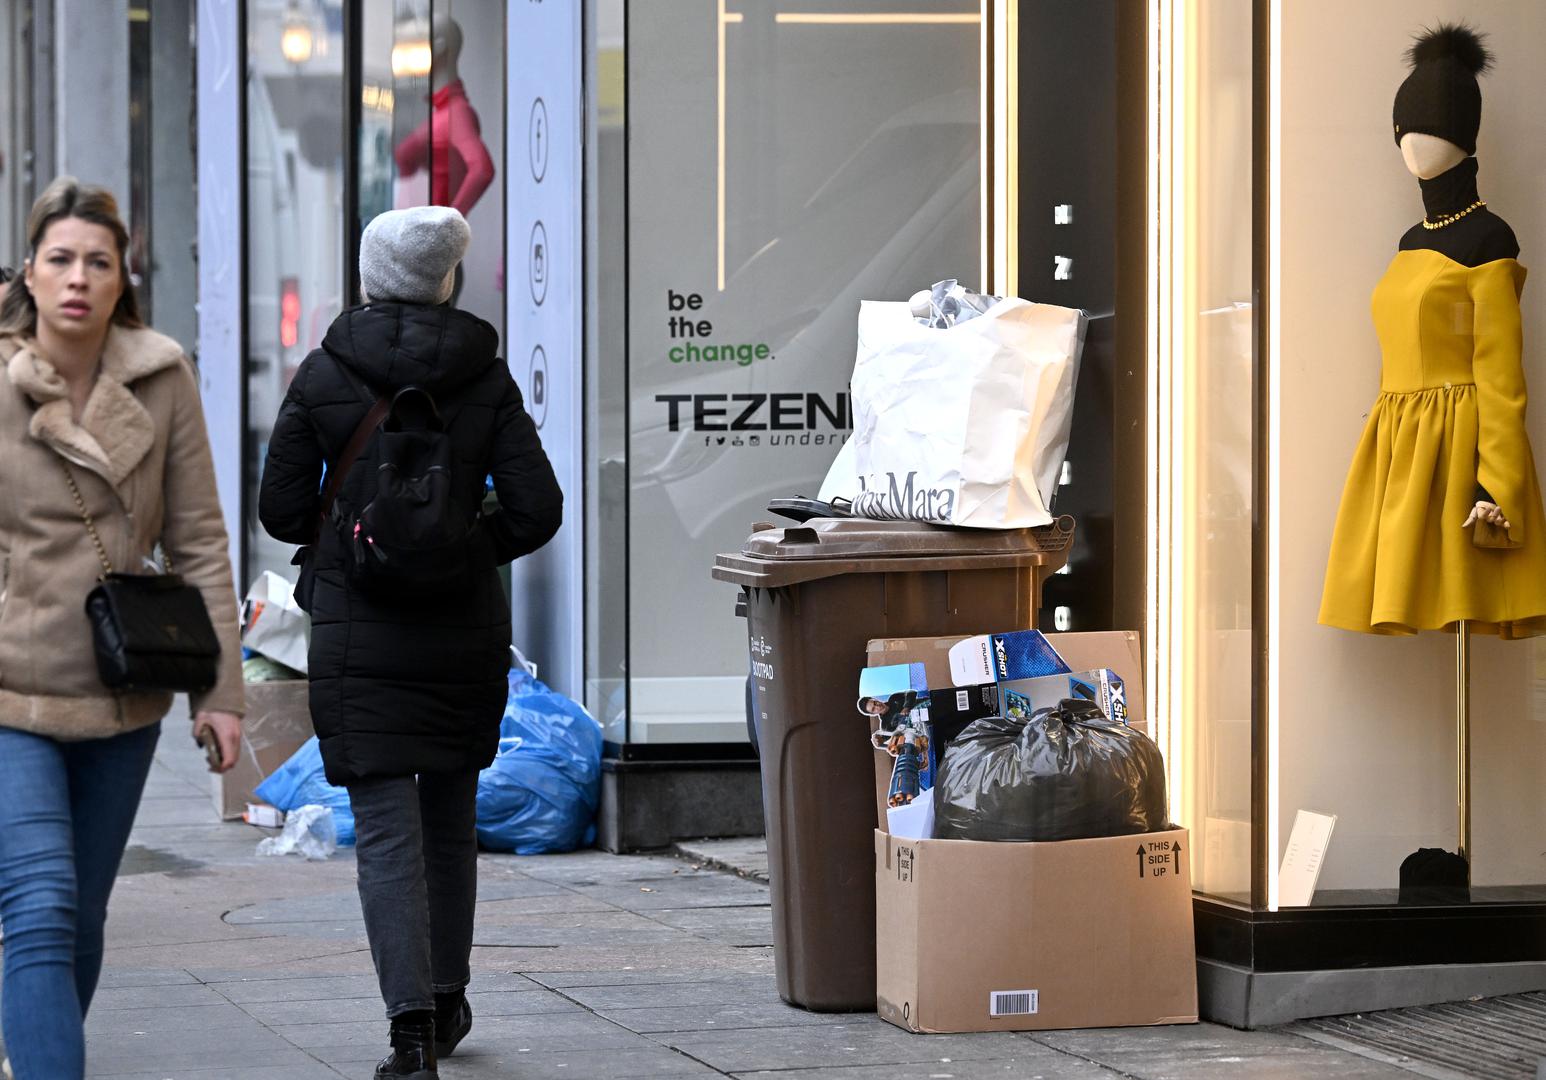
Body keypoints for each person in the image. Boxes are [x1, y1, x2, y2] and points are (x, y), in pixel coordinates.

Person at [258, 205, 562, 1079]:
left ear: (368, 276)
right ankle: (448, 1000)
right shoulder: (487, 377)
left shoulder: (322, 374)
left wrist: (351, 538)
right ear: (446, 280)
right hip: (462, 632)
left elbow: (280, 511)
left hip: (360, 638)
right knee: (449, 819)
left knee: (386, 828)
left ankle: (409, 1037)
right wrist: (468, 546)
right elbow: (538, 510)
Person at [0, 176, 245, 1080]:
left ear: (121, 277)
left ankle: (39, 1046)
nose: (77, 278)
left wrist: (221, 695)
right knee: (40, 905)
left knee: (84, 917)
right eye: (60, 259)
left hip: (123, 680)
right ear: (29, 272)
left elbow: (200, 542)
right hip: (8, 686)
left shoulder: (160, 374)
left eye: (96, 262)